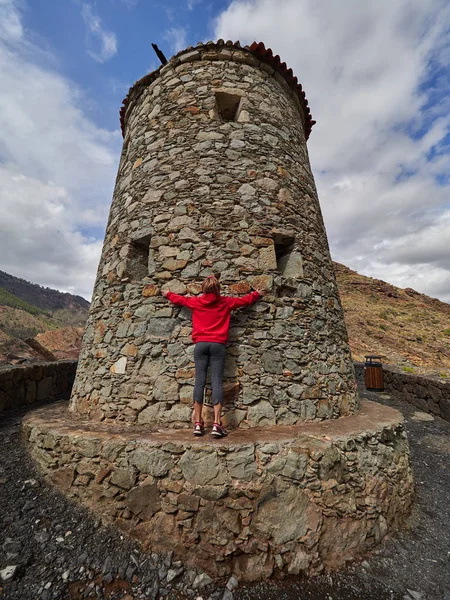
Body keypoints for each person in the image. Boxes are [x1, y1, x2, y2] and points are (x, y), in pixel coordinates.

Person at [163, 275, 264, 437]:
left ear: (203, 289)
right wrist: (257, 294)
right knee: (216, 382)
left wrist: (168, 293)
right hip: (218, 346)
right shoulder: (225, 302)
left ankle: (198, 424)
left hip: (201, 345)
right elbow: (244, 301)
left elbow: (180, 300)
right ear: (217, 289)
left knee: (199, 382)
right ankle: (216, 424)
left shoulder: (196, 302)